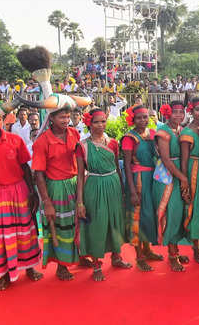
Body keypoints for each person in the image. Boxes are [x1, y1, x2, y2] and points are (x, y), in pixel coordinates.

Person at [0, 103, 43, 290]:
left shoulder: (15, 140)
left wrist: (32, 192)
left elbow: (25, 167)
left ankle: (29, 268)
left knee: (24, 232)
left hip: (19, 192)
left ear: (2, 120)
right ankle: (3, 274)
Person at [76, 108, 131, 281]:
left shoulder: (113, 143)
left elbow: (116, 166)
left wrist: (122, 189)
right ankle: (96, 264)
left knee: (115, 222)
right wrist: (79, 202)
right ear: (89, 124)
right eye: (96, 122)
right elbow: (79, 175)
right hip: (93, 186)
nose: (100, 125)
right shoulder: (82, 146)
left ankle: (116, 257)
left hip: (113, 184)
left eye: (103, 121)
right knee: (96, 225)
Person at [31, 107, 81, 280]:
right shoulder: (42, 141)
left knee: (78, 224)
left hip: (75, 184)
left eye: (68, 117)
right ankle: (62, 265)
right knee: (61, 228)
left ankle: (79, 257)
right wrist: (46, 201)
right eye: (62, 117)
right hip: (56, 189)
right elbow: (38, 173)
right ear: (51, 118)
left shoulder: (74, 133)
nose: (66, 120)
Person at [121, 105, 163, 272]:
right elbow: (128, 165)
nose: (143, 120)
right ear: (133, 119)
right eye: (139, 117)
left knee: (149, 216)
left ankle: (147, 249)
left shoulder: (152, 134)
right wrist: (131, 190)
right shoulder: (129, 138)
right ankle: (139, 256)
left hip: (152, 179)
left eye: (145, 117)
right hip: (138, 180)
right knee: (138, 217)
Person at [153, 101, 191, 271]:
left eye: (181, 112)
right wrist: (183, 178)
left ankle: (175, 249)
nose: (178, 115)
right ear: (168, 113)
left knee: (180, 213)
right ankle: (172, 254)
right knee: (171, 214)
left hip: (179, 174)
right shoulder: (163, 132)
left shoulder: (181, 131)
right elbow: (167, 160)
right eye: (175, 112)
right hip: (167, 177)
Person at [179, 97, 199, 263]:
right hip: (195, 170)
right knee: (197, 208)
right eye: (198, 109)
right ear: (191, 111)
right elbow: (184, 160)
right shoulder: (187, 132)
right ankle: (196, 247)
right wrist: (184, 181)